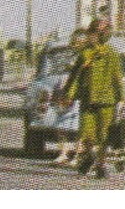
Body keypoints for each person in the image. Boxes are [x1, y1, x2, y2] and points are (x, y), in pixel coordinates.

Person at [62, 18, 124, 178]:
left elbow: (117, 78)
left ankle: (101, 165)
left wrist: (122, 98)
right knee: (86, 134)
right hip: (87, 100)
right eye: (91, 33)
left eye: (95, 33)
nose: (91, 36)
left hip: (107, 101)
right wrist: (68, 95)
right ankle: (90, 156)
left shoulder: (112, 54)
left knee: (104, 136)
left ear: (102, 35)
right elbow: (75, 76)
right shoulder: (85, 53)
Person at [50, 28, 89, 167]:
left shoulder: (88, 55)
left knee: (81, 127)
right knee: (61, 125)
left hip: (81, 94)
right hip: (65, 90)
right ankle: (63, 153)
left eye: (79, 41)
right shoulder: (69, 55)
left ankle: (78, 155)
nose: (76, 44)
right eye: (74, 41)